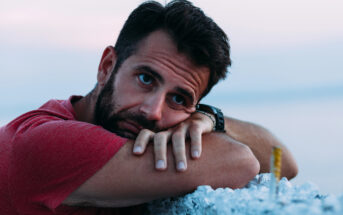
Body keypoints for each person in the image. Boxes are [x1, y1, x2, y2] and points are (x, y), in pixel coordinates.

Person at [0, 0, 298, 214]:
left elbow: (284, 164)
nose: (153, 111)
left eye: (178, 99)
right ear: (106, 67)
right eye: (145, 78)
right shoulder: (44, 142)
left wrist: (209, 118)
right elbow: (241, 162)